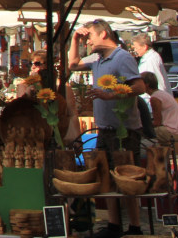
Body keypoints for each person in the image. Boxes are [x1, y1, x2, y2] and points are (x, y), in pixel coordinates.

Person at [69, 18, 146, 238]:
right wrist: (75, 39)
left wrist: (109, 95)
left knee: (127, 178)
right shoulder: (98, 59)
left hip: (124, 129)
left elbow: (139, 86)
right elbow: (73, 64)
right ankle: (114, 225)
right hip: (105, 128)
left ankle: (134, 227)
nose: (88, 41)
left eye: (90, 36)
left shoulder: (122, 57)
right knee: (106, 177)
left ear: (103, 34)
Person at [141, 72, 178, 145]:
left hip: (175, 133)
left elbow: (157, 123)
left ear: (146, 85)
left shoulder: (155, 98)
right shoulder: (162, 93)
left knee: (145, 130)